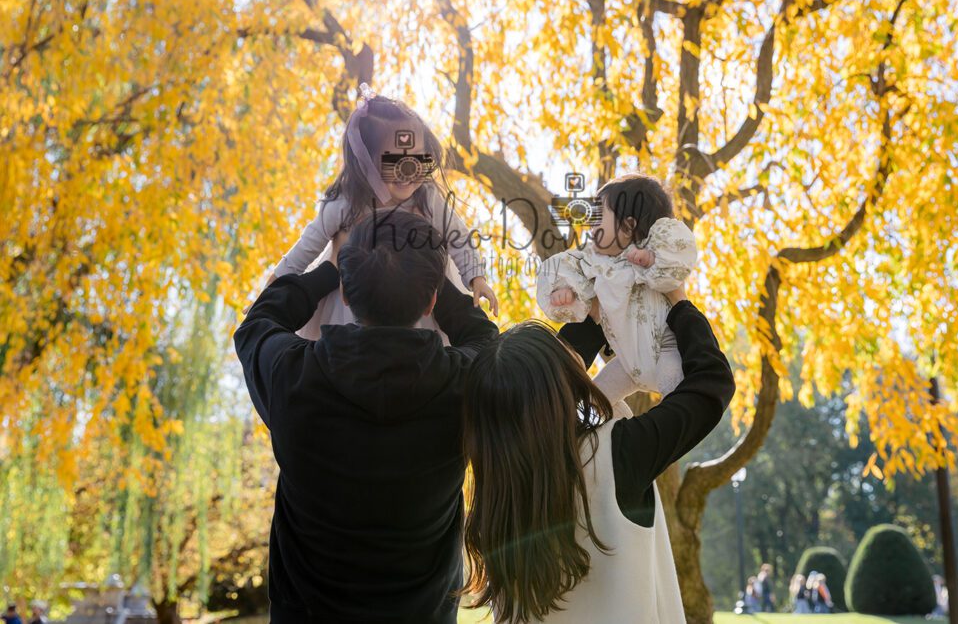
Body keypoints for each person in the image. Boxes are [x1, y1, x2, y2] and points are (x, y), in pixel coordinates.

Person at [234, 210, 498, 623]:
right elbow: (485, 338)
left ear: (344, 291)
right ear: (431, 301)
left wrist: (329, 268)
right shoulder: (465, 385)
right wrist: (434, 282)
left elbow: (257, 322)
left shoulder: (292, 378)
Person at [460, 278, 735, 622]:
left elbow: (529, 388)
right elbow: (711, 382)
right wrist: (678, 301)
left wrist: (597, 315)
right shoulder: (615, 454)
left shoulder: (495, 489)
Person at [259, 83, 498, 340]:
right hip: (355, 300)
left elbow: (457, 235)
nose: (409, 170)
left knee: (414, 344)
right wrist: (273, 288)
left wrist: (476, 277)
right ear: (365, 160)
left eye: (418, 158)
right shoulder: (347, 201)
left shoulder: (427, 197)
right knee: (357, 343)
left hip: (415, 297)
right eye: (394, 160)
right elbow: (307, 246)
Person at [537, 174, 697, 415]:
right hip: (628, 363)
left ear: (628, 226)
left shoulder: (651, 253)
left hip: (665, 348)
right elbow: (571, 270)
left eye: (599, 216)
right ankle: (615, 421)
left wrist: (652, 259)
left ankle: (671, 422)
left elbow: (678, 257)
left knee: (674, 388)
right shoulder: (595, 260)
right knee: (594, 400)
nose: (591, 223)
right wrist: (567, 291)